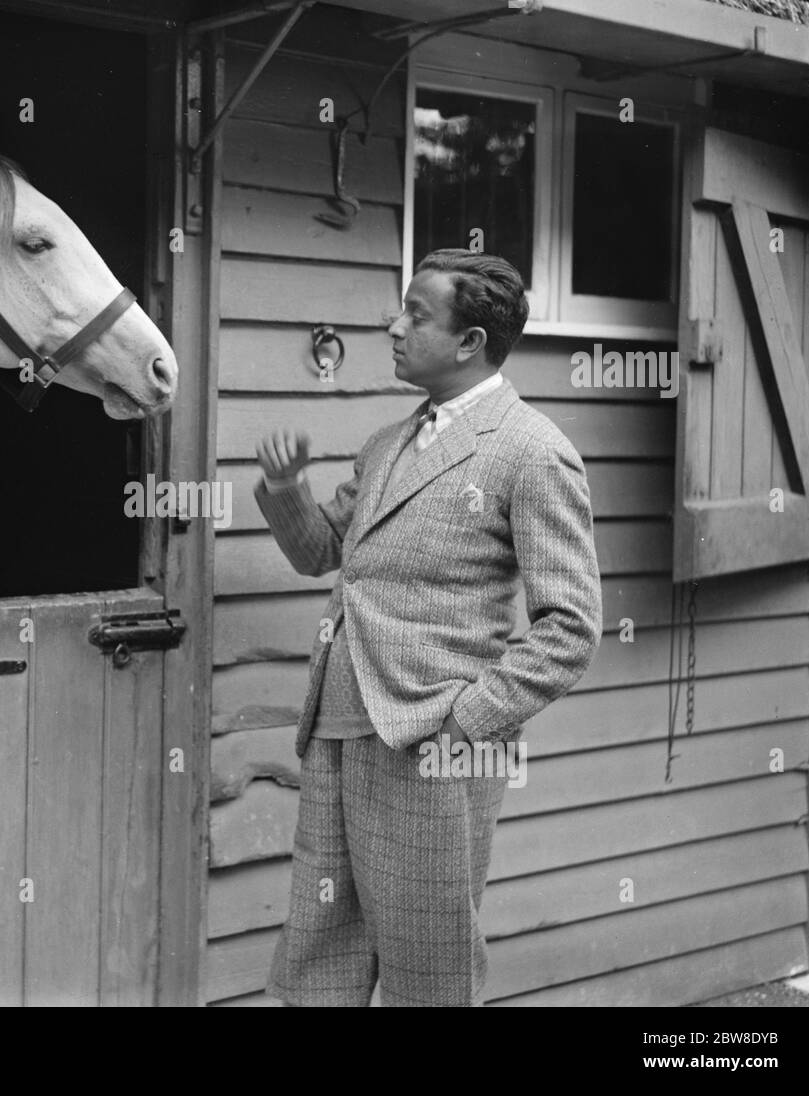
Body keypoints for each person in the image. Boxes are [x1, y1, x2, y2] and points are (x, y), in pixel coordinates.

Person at [254, 249, 601, 1006]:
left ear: (471, 341)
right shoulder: (388, 444)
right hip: (339, 731)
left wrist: (466, 723)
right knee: (322, 960)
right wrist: (285, 490)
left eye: (417, 313)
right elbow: (321, 552)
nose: (395, 325)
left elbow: (570, 628)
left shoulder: (533, 452)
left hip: (433, 747)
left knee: (428, 972)